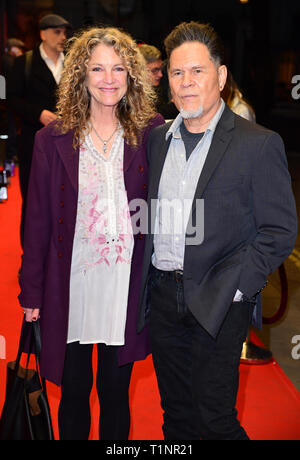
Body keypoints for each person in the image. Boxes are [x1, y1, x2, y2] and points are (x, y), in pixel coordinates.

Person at [137, 21, 297, 440]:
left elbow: (279, 229)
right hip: (163, 299)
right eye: (176, 73)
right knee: (175, 416)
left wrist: (239, 286)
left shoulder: (257, 143)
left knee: (214, 418)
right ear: (166, 81)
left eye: (197, 71)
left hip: (220, 300)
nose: (186, 83)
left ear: (221, 76)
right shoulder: (157, 140)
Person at [18, 26, 164, 440]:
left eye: (119, 68)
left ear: (132, 74)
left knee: (116, 393)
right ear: (80, 74)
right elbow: (38, 221)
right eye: (97, 68)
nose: (108, 78)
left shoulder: (150, 132)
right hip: (72, 284)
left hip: (125, 283)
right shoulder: (53, 138)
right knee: (75, 391)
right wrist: (31, 292)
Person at [8, 14, 71, 247]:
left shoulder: (73, 63)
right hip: (33, 145)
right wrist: (39, 114)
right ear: (43, 34)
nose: (62, 37)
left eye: (65, 32)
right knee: (33, 202)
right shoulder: (24, 63)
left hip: (68, 144)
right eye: (57, 32)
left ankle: (60, 254)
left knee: (64, 201)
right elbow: (11, 100)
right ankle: (30, 256)